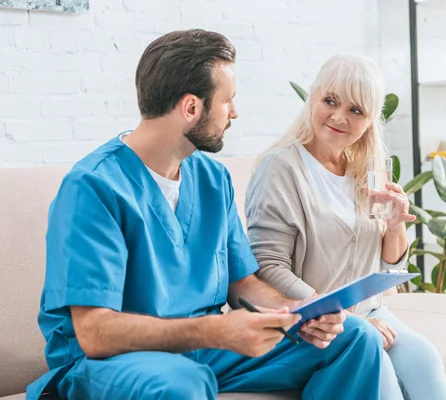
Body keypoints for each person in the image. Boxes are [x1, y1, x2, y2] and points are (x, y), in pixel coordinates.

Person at [26, 31, 385, 400]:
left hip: (207, 349)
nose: (235, 111)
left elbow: (242, 283)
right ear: (192, 108)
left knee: (356, 339)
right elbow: (95, 332)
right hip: (114, 361)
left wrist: (297, 311)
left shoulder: (212, 179)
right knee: (181, 383)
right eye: (228, 100)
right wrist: (216, 331)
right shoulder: (93, 187)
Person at [245, 54, 446, 400]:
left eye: (356, 110)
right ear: (313, 97)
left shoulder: (367, 171)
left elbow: (390, 269)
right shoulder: (282, 167)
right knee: (381, 372)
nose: (339, 117)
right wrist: (339, 316)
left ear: (371, 121)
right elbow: (267, 267)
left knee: (425, 361)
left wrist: (394, 228)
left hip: (370, 311)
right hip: (314, 322)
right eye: (330, 101)